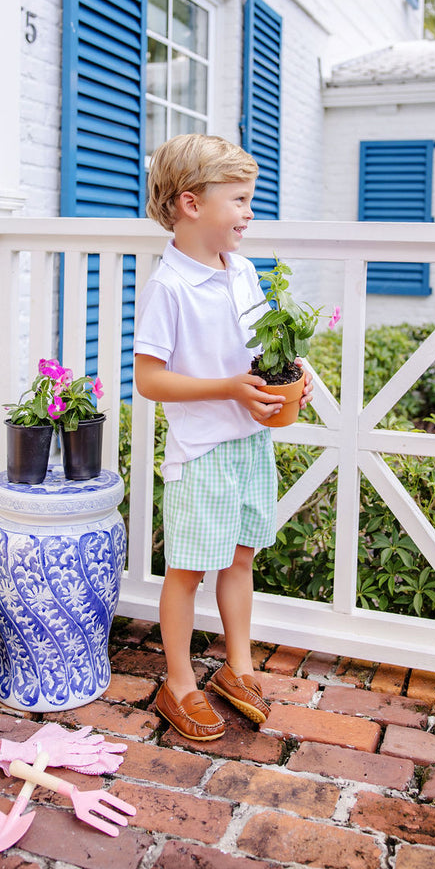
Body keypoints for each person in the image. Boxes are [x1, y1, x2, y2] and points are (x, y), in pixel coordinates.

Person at [133, 134, 312, 741]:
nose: (248, 212)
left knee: (240, 558)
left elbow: (262, 348)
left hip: (249, 442)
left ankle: (237, 668)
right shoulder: (170, 286)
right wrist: (229, 389)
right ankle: (179, 682)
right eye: (237, 200)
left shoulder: (242, 272)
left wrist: (294, 373)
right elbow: (151, 380)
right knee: (187, 569)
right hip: (202, 451)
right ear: (190, 203)